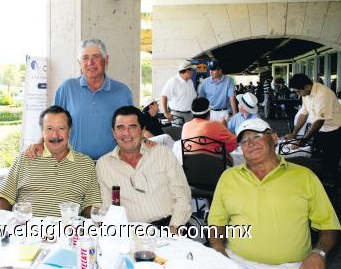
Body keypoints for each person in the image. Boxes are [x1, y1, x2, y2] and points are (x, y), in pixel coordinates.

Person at [208, 118, 340, 269]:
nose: (250, 143)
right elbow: (217, 221)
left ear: (274, 138)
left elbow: (328, 225)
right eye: (244, 141)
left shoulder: (304, 177)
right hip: (236, 262)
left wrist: (319, 252)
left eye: (257, 136)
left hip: (293, 266)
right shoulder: (229, 177)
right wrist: (218, 248)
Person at [26, 38, 133, 160]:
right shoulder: (67, 88)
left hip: (111, 166)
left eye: (96, 57)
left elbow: (133, 127)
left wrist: (147, 142)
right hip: (75, 166)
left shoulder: (122, 91)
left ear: (106, 60)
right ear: (79, 63)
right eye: (85, 58)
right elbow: (50, 123)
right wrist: (40, 143)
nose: (90, 63)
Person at [96, 106, 192, 232]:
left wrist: (173, 229)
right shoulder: (104, 165)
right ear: (113, 133)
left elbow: (182, 197)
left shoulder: (162, 153)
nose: (126, 133)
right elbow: (107, 207)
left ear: (142, 131)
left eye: (132, 127)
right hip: (131, 234)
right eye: (120, 128)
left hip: (170, 227)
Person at [0, 106, 102, 218]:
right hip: (27, 231)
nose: (55, 135)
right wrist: (1, 223)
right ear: (42, 131)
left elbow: (91, 205)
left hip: (67, 231)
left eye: (61, 128)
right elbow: (4, 197)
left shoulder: (86, 164)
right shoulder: (25, 158)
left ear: (69, 131)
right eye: (49, 128)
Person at [285, 74, 341, 181]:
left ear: (306, 86)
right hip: (320, 130)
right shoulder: (306, 94)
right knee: (317, 160)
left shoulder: (323, 94)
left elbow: (319, 121)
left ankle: (331, 190)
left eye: (298, 91)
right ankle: (319, 181)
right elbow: (303, 114)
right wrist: (294, 133)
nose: (298, 94)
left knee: (330, 164)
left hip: (334, 131)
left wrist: (303, 140)